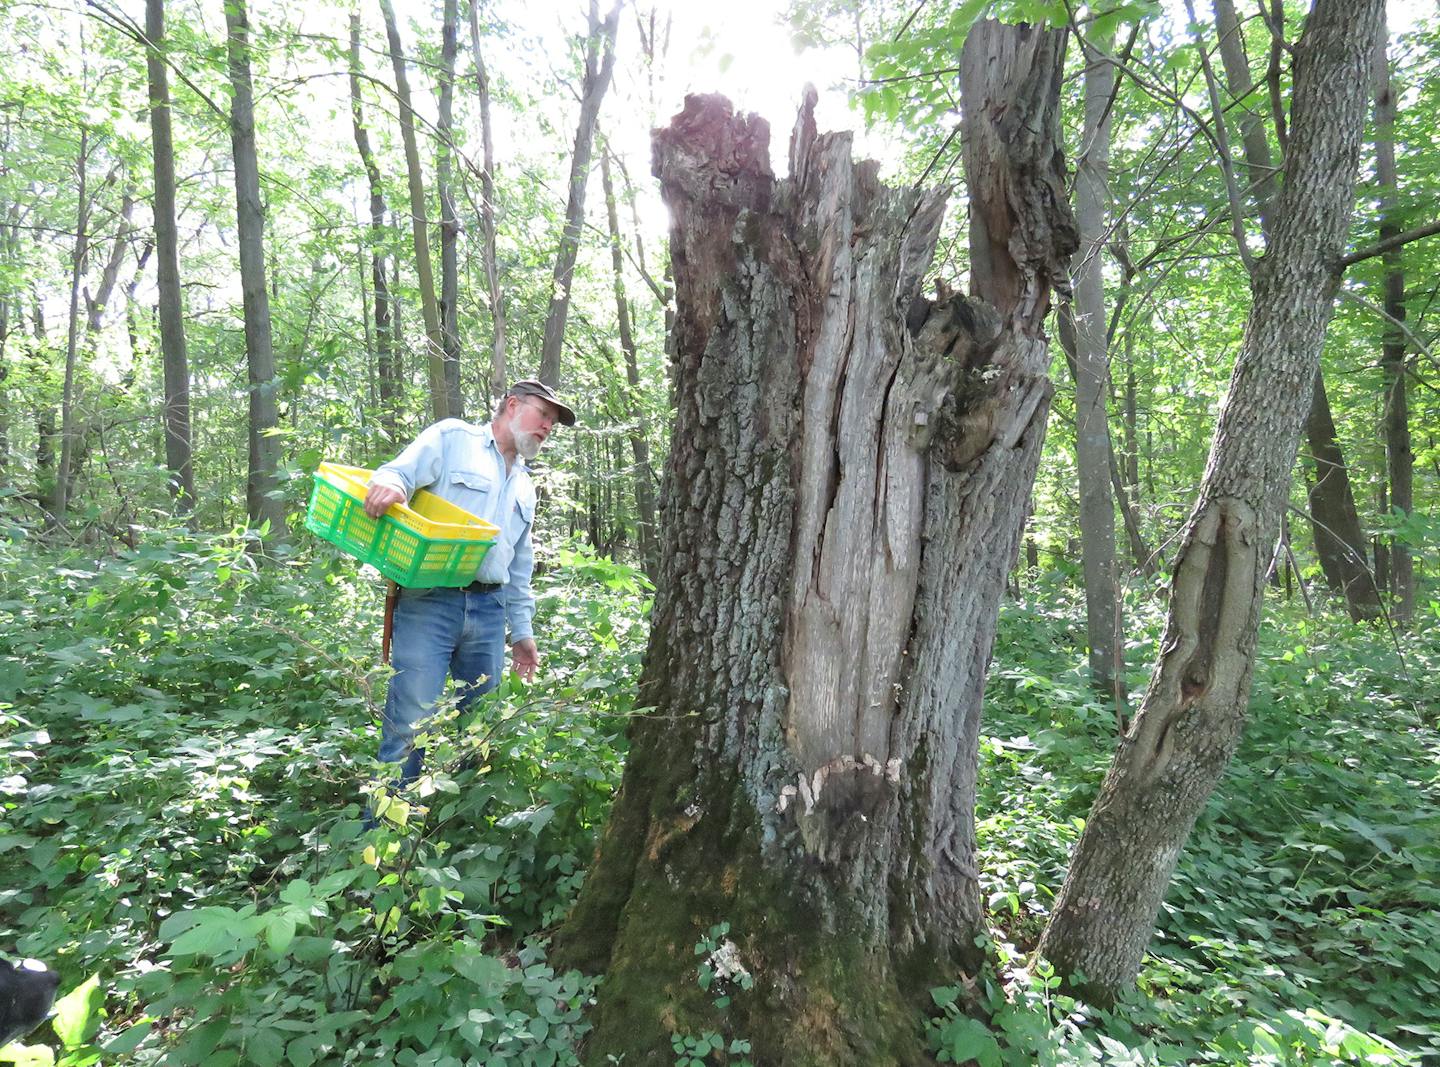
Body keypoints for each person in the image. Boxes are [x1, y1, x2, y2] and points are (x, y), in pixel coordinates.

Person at [362, 379, 576, 783]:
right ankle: (386, 832)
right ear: (512, 405)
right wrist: (391, 484)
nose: (547, 427)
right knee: (410, 721)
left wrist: (522, 632)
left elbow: (518, 565)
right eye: (543, 414)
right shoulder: (452, 439)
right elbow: (396, 473)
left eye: (553, 422)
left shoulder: (525, 485)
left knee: (479, 728)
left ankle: (460, 831)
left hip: (490, 612)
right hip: (430, 602)